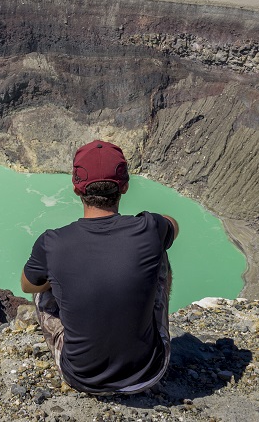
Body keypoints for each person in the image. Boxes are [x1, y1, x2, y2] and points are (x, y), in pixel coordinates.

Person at [21, 140, 179, 394]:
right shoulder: (150, 228)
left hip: (81, 378)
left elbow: (27, 284)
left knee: (42, 282)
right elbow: (174, 225)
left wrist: (66, 272)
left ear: (76, 189)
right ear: (125, 187)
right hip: (149, 372)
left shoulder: (53, 242)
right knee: (160, 253)